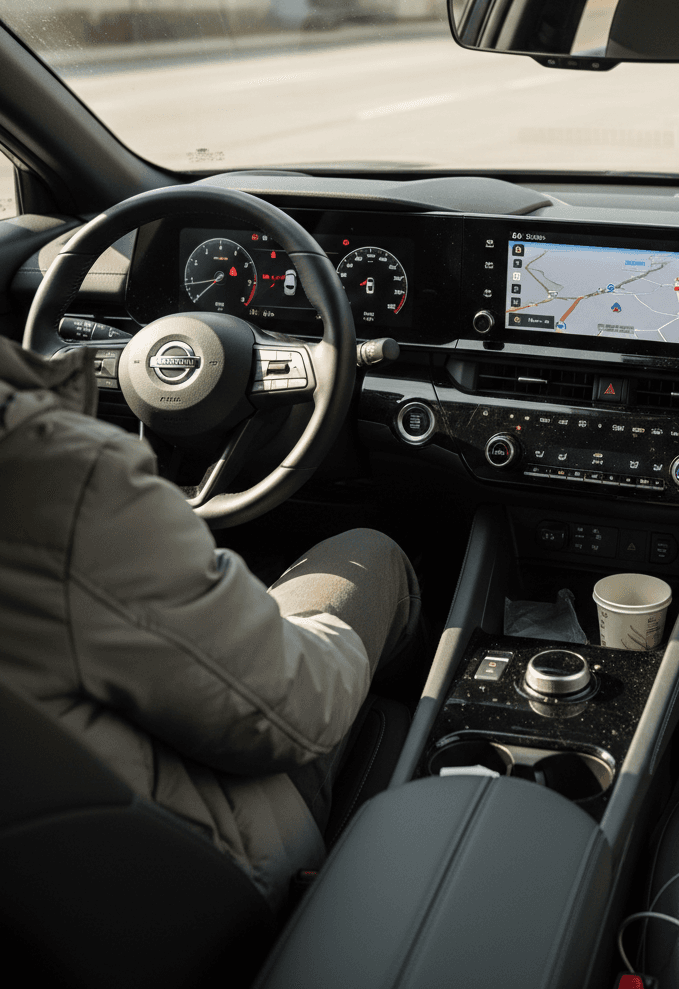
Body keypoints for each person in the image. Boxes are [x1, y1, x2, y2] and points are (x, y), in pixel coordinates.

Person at [0, 334, 419, 912]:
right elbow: (297, 708)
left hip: (53, 860)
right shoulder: (49, 470)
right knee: (372, 554)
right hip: (215, 859)